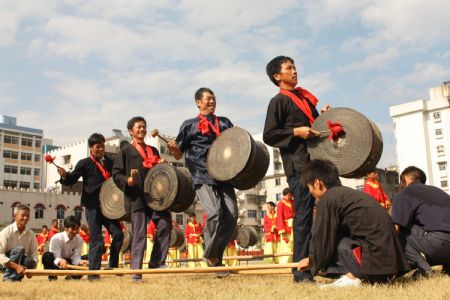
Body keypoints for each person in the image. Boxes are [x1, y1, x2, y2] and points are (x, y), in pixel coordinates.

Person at [263, 55, 330, 282]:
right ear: (277, 76)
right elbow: (269, 135)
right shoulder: (278, 101)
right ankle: (301, 271)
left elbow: (314, 129)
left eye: (294, 67)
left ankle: (332, 262)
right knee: (303, 215)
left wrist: (322, 118)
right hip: (298, 165)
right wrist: (294, 132)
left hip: (318, 162)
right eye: (288, 68)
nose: (294, 71)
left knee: (331, 207)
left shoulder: (305, 98)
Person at [297, 159, 410, 288]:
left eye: (311, 190)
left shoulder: (329, 198)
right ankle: (369, 274)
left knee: (332, 241)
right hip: (392, 264)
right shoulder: (347, 193)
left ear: (318, 183)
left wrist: (311, 259)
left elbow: (322, 236)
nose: (313, 196)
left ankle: (353, 276)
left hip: (376, 262)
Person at [167, 87, 238, 274]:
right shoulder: (189, 125)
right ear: (198, 102)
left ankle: (214, 256)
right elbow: (178, 153)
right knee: (214, 212)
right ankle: (212, 257)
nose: (212, 102)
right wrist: (173, 148)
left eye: (214, 98)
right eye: (208, 99)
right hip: (201, 173)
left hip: (224, 174)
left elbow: (237, 143)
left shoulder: (224, 122)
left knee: (231, 216)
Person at [57, 133, 124, 281]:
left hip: (108, 206)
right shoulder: (84, 163)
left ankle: (112, 266)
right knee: (96, 240)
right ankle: (93, 274)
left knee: (119, 234)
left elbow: (117, 177)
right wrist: (64, 176)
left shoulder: (109, 162)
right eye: (97, 147)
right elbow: (72, 179)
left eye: (102, 146)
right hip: (92, 206)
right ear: (91, 148)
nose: (101, 149)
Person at [113, 116, 171, 282]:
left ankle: (156, 262)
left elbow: (160, 174)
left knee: (165, 224)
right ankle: (136, 273)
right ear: (131, 131)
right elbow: (116, 174)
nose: (142, 130)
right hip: (136, 197)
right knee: (139, 234)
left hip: (154, 197)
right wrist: (128, 181)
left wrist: (163, 164)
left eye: (144, 127)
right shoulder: (125, 151)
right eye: (139, 127)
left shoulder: (153, 150)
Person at [391, 166, 450, 278]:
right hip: (442, 243)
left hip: (439, 243)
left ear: (403, 179)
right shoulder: (437, 191)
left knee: (402, 229)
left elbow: (395, 229)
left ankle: (424, 269)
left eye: (400, 181)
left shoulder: (404, 193)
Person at [42, 216, 88, 281]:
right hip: (56, 263)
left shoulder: (79, 240)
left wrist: (80, 262)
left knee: (86, 258)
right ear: (66, 228)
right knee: (47, 256)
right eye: (73, 229)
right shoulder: (56, 238)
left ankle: (72, 277)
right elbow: (55, 256)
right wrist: (60, 261)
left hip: (69, 262)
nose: (75, 231)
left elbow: (76, 257)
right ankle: (52, 276)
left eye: (77, 228)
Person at [0, 204, 38, 282]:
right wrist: (16, 266)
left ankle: (17, 277)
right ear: (14, 216)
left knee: (30, 261)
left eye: (27, 215)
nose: (25, 218)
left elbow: (34, 254)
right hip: (4, 264)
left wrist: (32, 268)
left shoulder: (31, 234)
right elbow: (0, 254)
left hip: (21, 261)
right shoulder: (6, 232)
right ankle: (9, 278)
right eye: (22, 215)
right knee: (19, 249)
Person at [276, 189, 294, 264]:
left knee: (293, 246)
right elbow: (279, 218)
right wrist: (282, 232)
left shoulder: (293, 202)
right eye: (290, 195)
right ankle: (285, 263)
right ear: (287, 194)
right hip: (286, 228)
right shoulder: (281, 204)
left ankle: (293, 262)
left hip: (293, 227)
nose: (291, 196)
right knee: (286, 247)